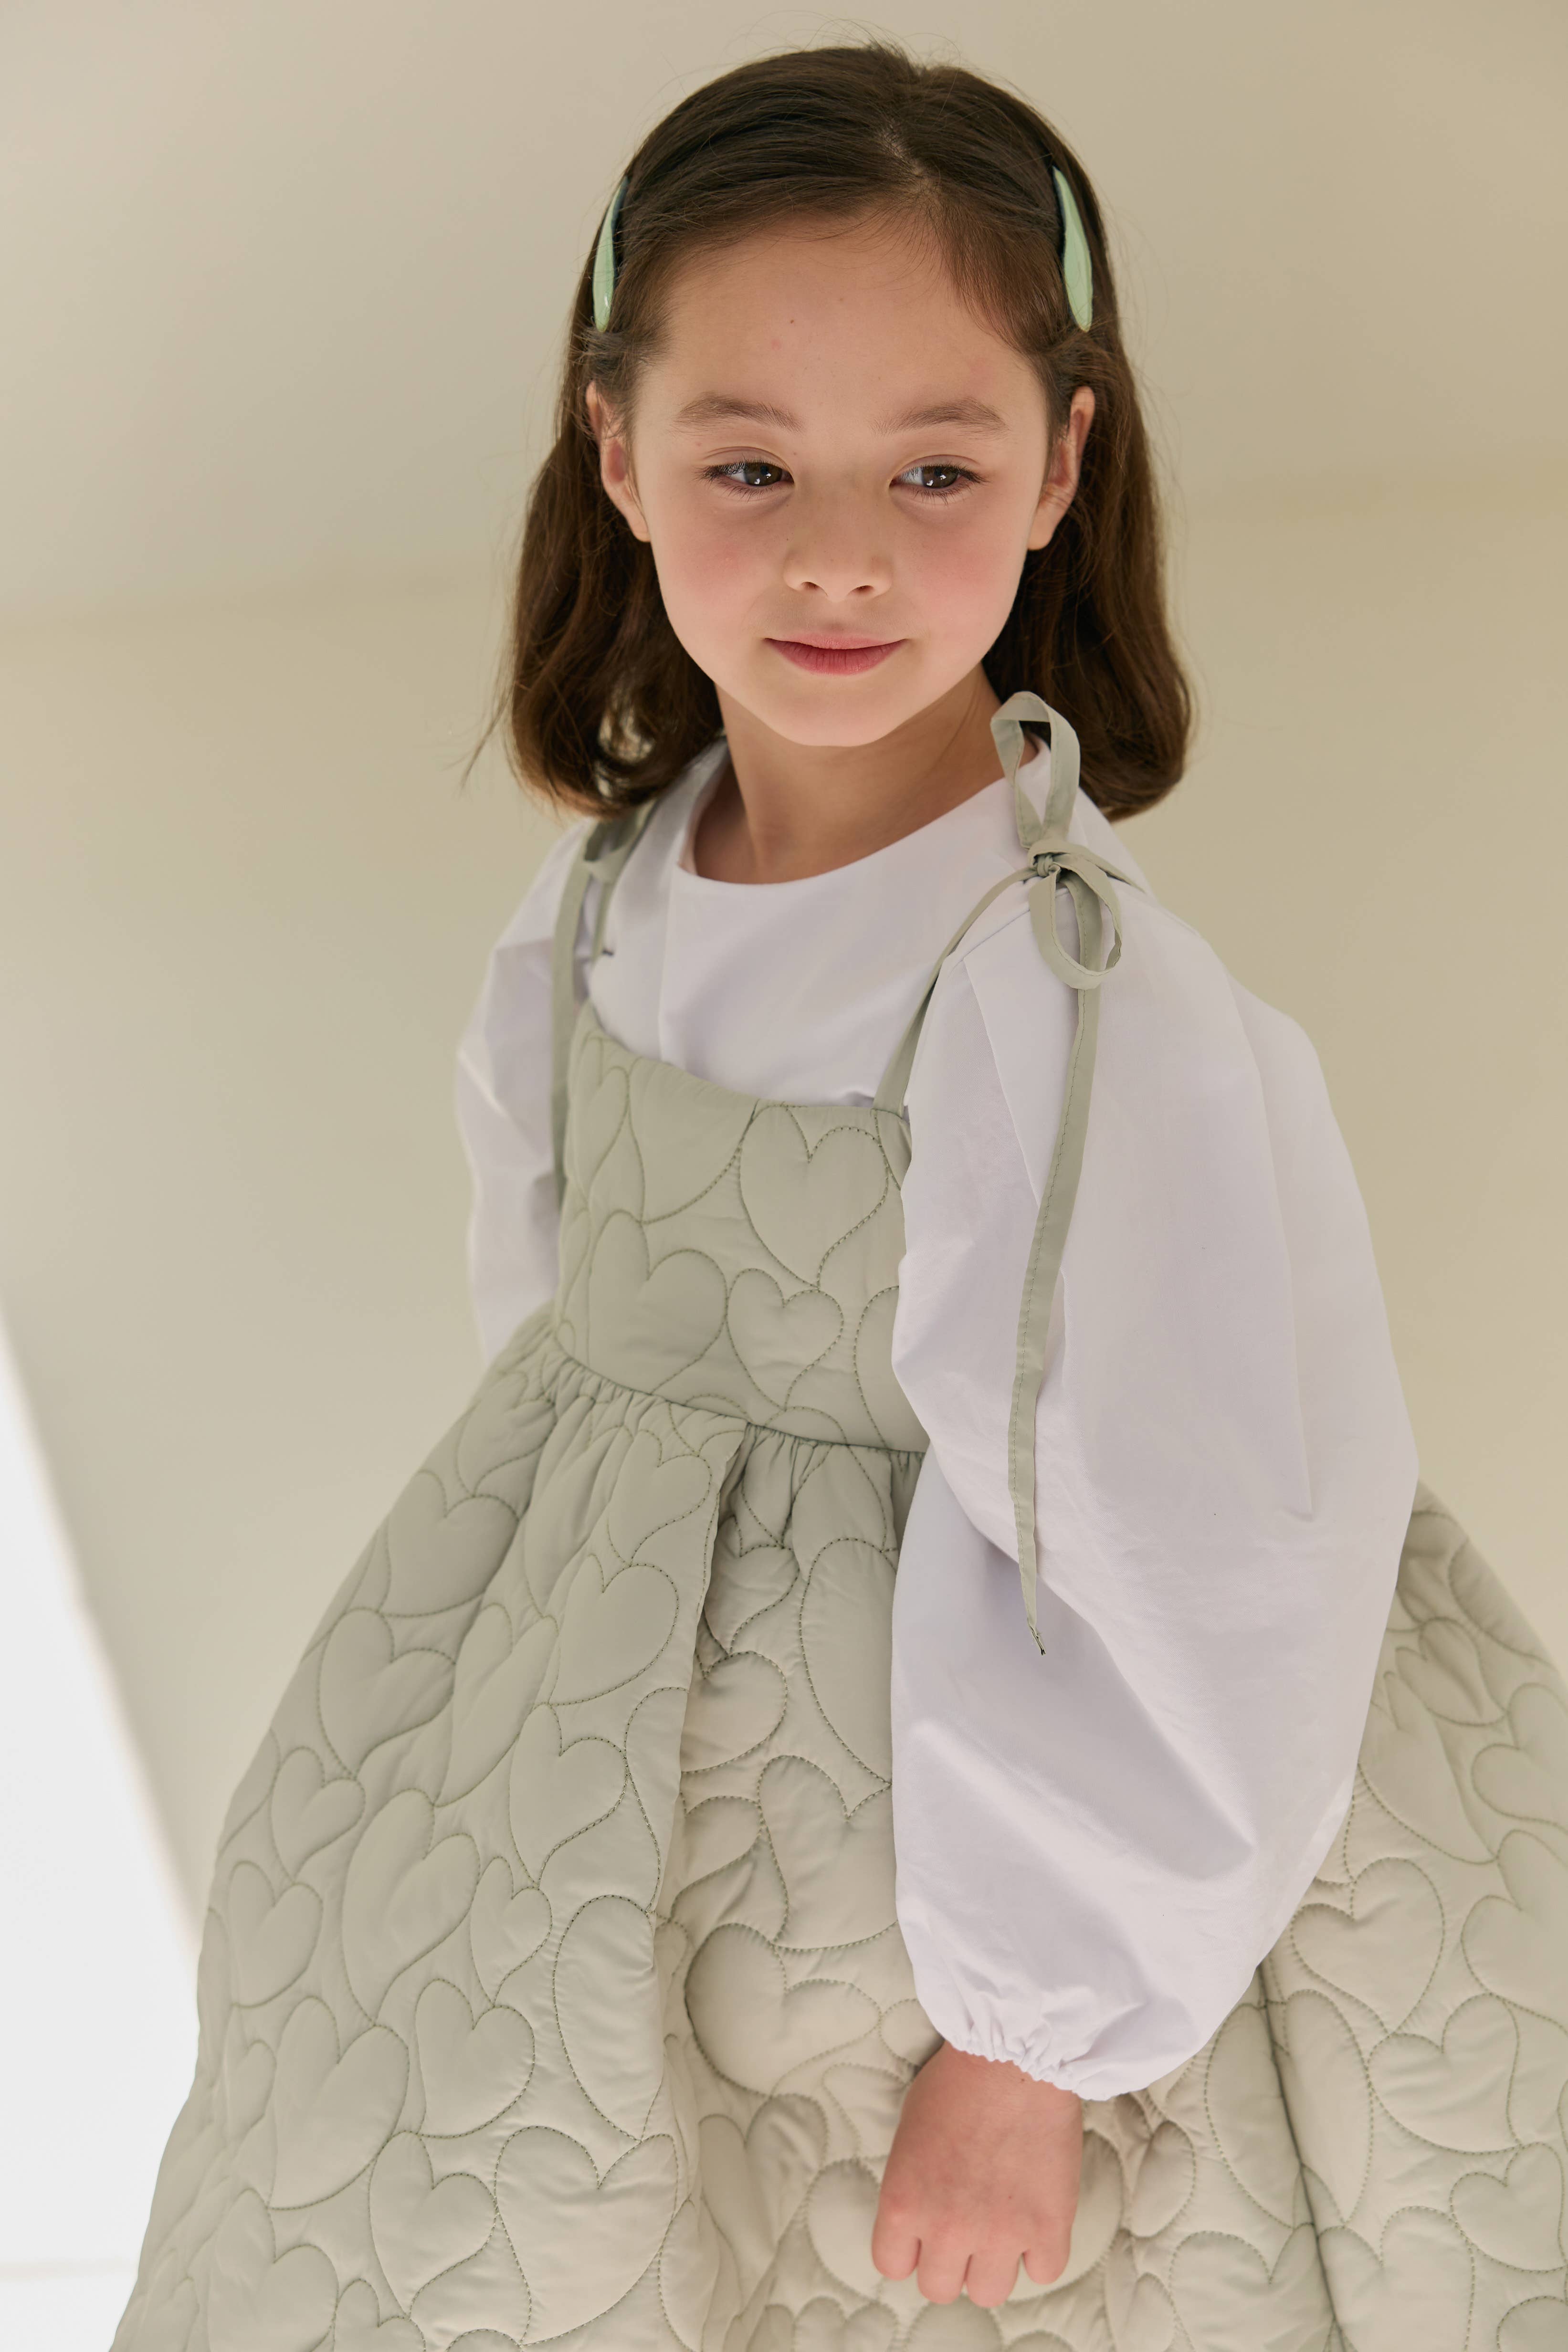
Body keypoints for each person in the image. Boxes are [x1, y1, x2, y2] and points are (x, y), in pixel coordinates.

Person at [116, 42, 1568, 2352]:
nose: (838, 549)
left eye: (934, 467)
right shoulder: (605, 899)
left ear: (1060, 464)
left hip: (980, 1854)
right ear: (617, 450)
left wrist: (1031, 2044)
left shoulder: (1062, 988)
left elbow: (1217, 1538)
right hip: (597, 1742)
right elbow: (561, 1312)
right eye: (750, 462)